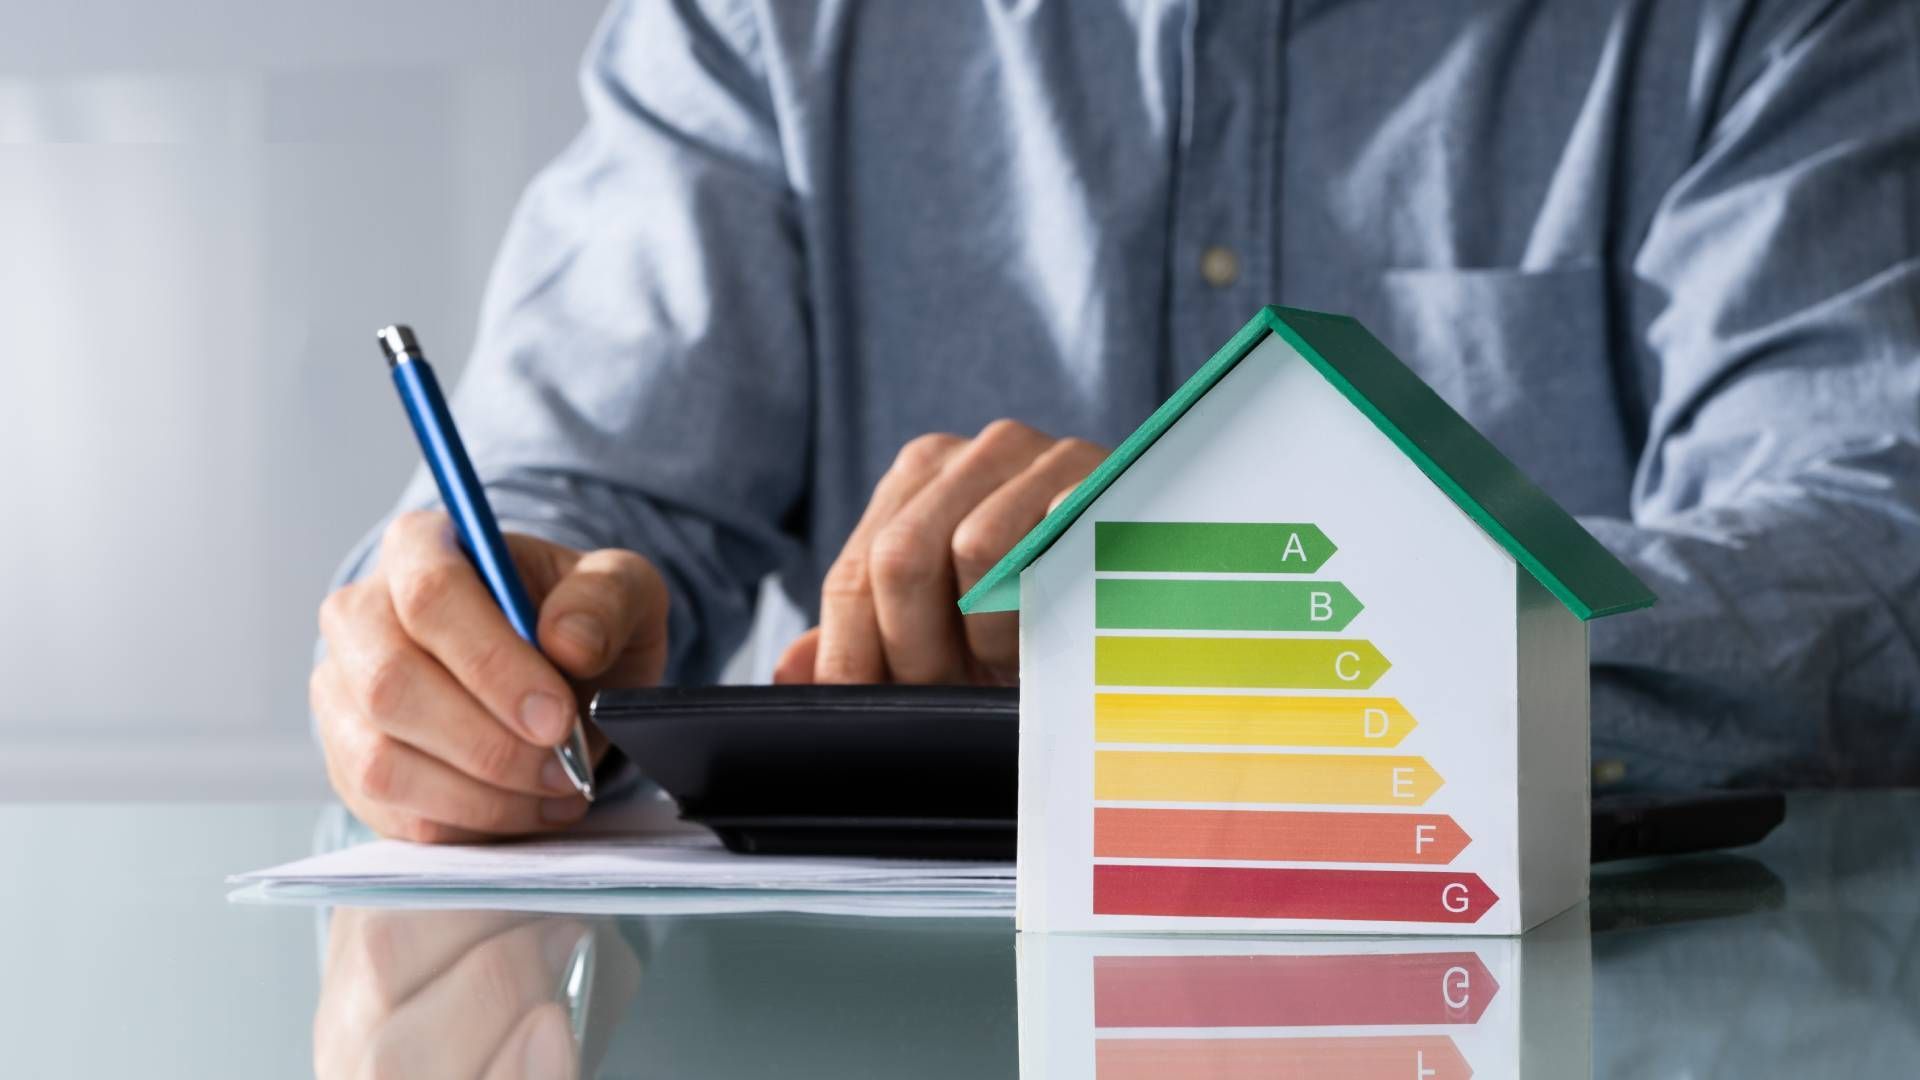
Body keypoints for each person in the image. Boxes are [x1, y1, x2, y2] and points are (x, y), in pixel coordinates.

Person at [312, 0, 1920, 842]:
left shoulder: (1763, 21)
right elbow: (579, 501)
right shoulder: (760, 28)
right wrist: (477, 646)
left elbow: (1873, 560)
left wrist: (1260, 607)